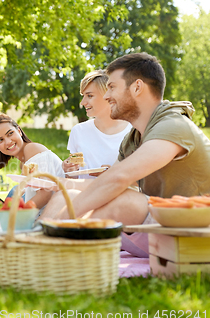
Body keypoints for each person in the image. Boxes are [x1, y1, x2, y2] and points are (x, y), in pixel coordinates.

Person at [39, 52, 210, 257]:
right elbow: (104, 183)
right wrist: (61, 185)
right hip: (162, 227)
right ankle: (40, 254)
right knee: (64, 197)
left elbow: (119, 178)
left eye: (112, 87)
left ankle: (44, 245)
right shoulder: (133, 139)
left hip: (197, 230)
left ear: (137, 87)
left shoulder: (174, 125)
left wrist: (61, 221)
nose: (107, 95)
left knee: (124, 200)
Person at [0, 112, 64, 208]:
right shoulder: (23, 164)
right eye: (0, 140)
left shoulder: (32, 149)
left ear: (19, 131)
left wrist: (12, 215)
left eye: (10, 133)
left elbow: (45, 195)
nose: (8, 142)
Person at [63, 70, 132, 178]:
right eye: (83, 96)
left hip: (119, 193)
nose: (82, 102)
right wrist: (69, 171)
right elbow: (73, 180)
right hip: (83, 192)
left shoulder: (133, 131)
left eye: (89, 96)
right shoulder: (79, 131)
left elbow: (143, 180)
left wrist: (112, 175)